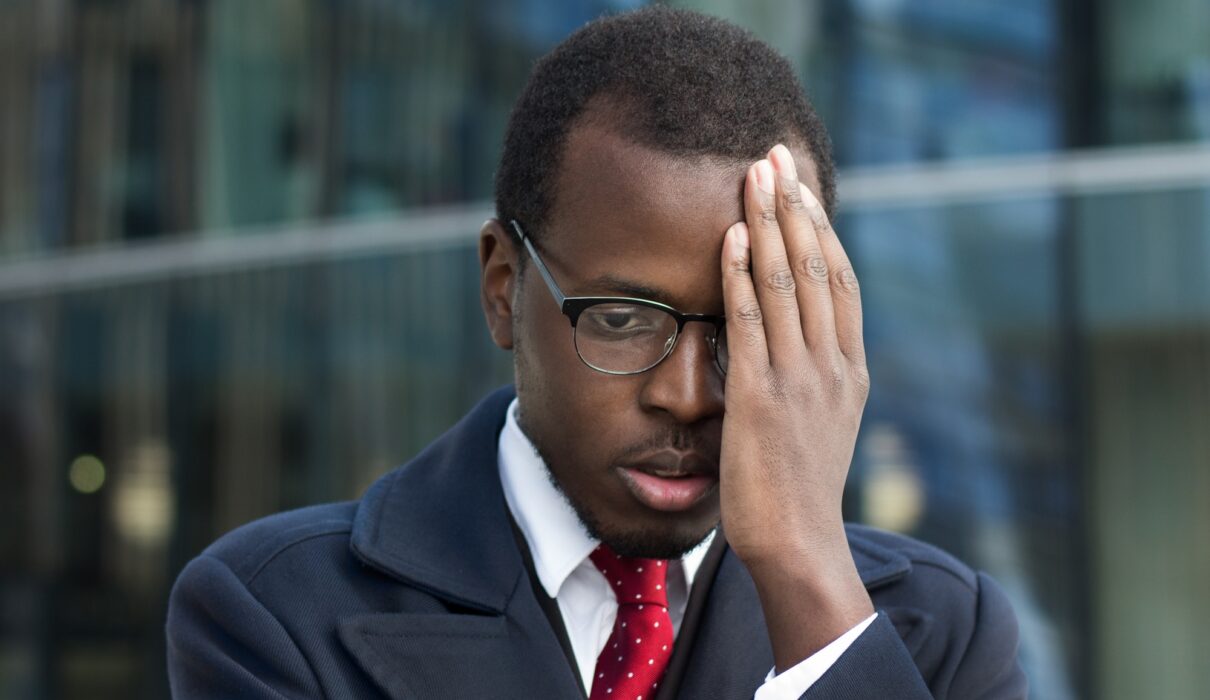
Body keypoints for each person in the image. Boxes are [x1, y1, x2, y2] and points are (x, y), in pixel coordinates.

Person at [166, 7, 1026, 699]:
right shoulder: (275, 614)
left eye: (744, 325)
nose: (687, 397)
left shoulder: (938, 631)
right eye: (621, 318)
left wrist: (811, 586)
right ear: (504, 286)